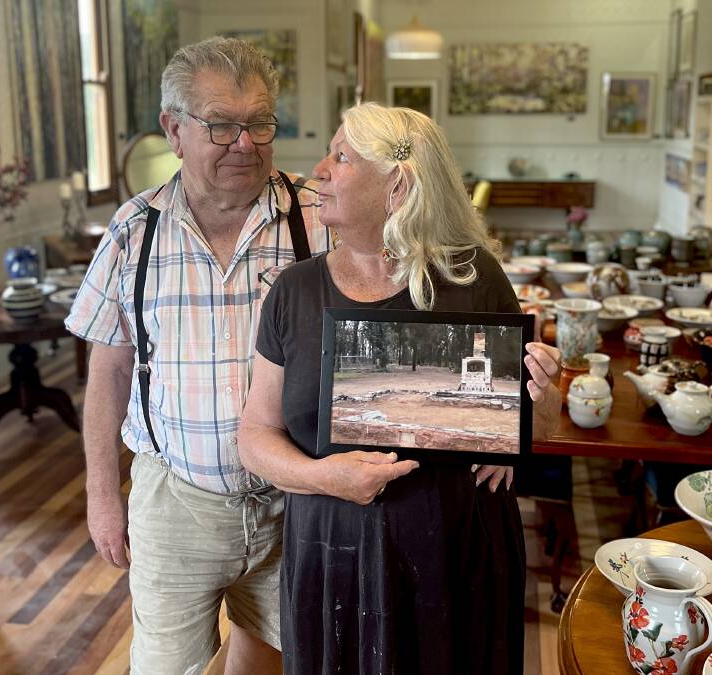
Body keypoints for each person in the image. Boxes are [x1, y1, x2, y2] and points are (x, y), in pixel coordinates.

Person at [237, 103, 563, 674]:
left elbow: (534, 426)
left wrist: (539, 407)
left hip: (457, 553)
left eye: (341, 157)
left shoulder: (473, 277)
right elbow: (255, 434)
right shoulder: (293, 291)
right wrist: (322, 476)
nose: (319, 169)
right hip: (330, 555)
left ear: (399, 185)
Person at [65, 37, 330, 675]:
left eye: (260, 123)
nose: (245, 143)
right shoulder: (134, 231)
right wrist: (103, 495)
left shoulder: (318, 221)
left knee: (281, 658)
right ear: (174, 131)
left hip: (297, 500)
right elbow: (108, 375)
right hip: (173, 500)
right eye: (221, 125)